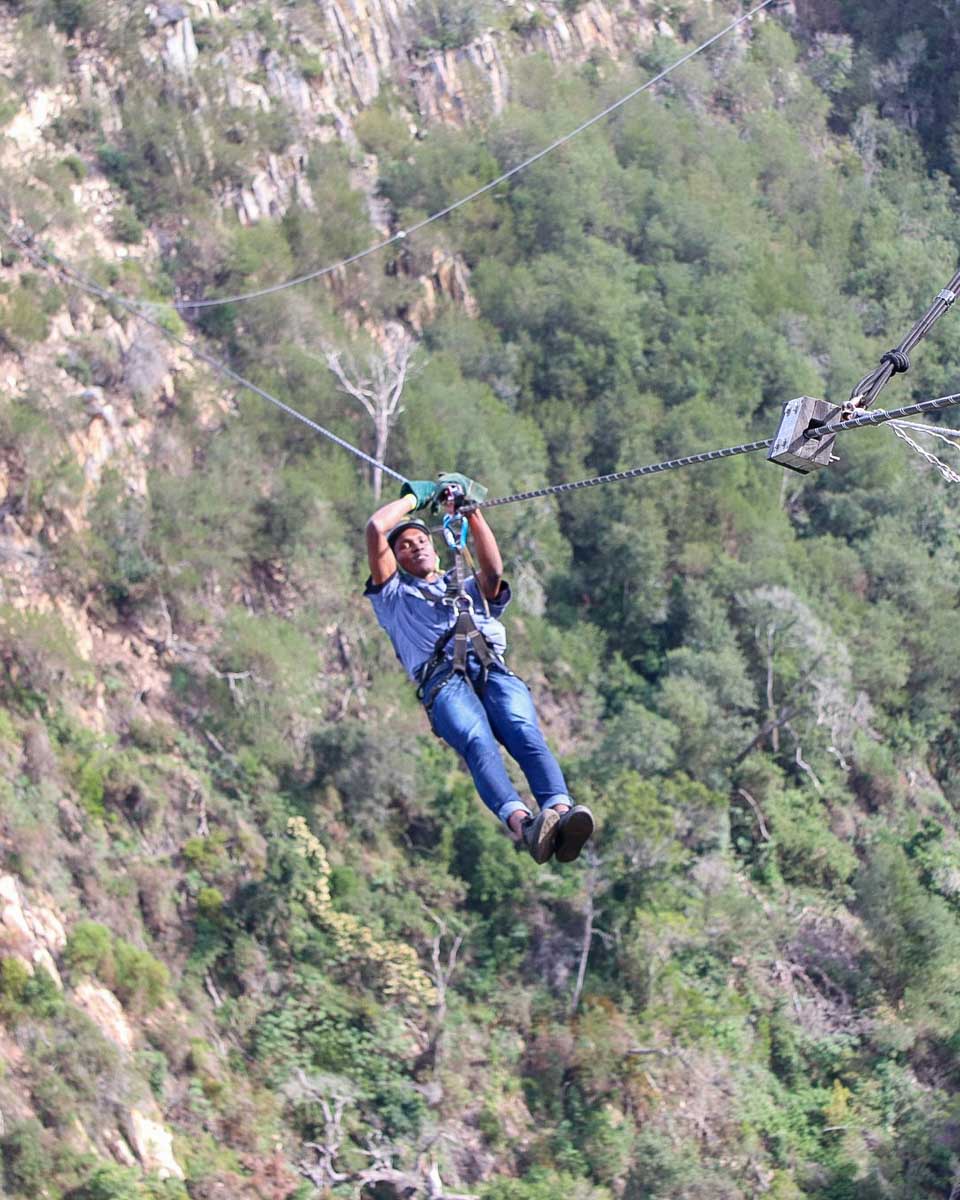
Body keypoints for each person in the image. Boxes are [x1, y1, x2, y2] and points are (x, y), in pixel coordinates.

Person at [364, 475, 594, 864]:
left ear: (437, 552)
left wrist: (473, 514)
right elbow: (375, 529)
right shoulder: (393, 598)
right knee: (478, 741)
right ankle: (526, 826)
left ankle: (561, 812)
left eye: (422, 541)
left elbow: (492, 571)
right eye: (404, 546)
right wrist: (413, 500)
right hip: (443, 682)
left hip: (491, 668)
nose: (415, 547)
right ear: (396, 561)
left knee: (523, 731)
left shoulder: (468, 587)